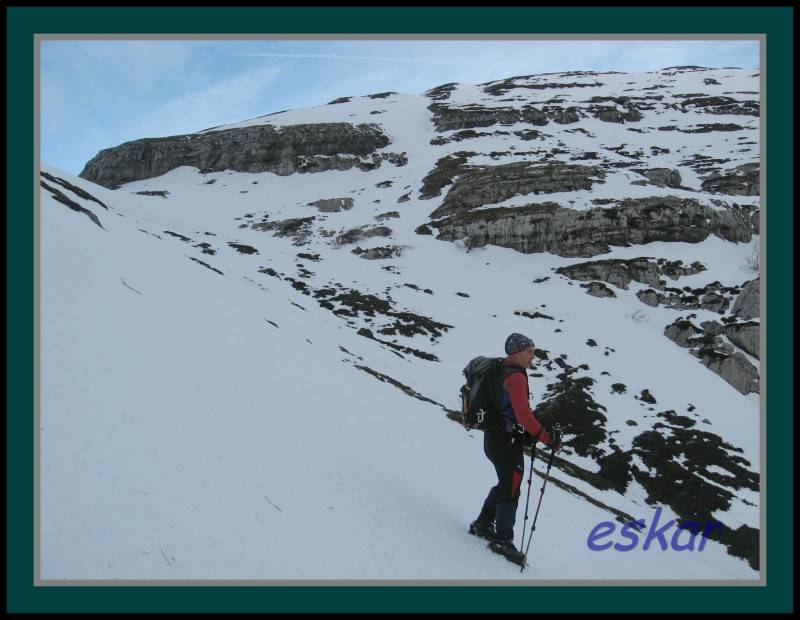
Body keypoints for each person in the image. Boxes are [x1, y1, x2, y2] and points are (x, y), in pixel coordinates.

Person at [468, 332, 561, 563]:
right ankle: (502, 539)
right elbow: (522, 414)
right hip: (505, 442)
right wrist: (546, 437)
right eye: (529, 351)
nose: (533, 356)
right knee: (511, 488)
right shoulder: (517, 377)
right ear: (517, 352)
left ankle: (482, 523)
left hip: (494, 439)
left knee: (506, 483)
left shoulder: (501, 369)